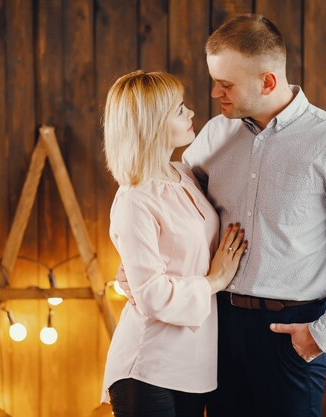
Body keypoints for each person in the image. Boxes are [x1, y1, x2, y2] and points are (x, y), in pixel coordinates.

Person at [118, 14, 326, 417]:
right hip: (215, 327)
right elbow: (163, 202)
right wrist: (133, 265)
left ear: (267, 81)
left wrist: (323, 334)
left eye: (226, 84)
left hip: (290, 334)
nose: (214, 91)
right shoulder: (215, 135)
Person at [100, 70, 248, 417]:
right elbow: (151, 294)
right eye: (179, 109)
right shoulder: (135, 199)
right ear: (152, 123)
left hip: (193, 366)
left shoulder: (182, 173)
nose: (191, 113)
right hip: (149, 365)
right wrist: (214, 281)